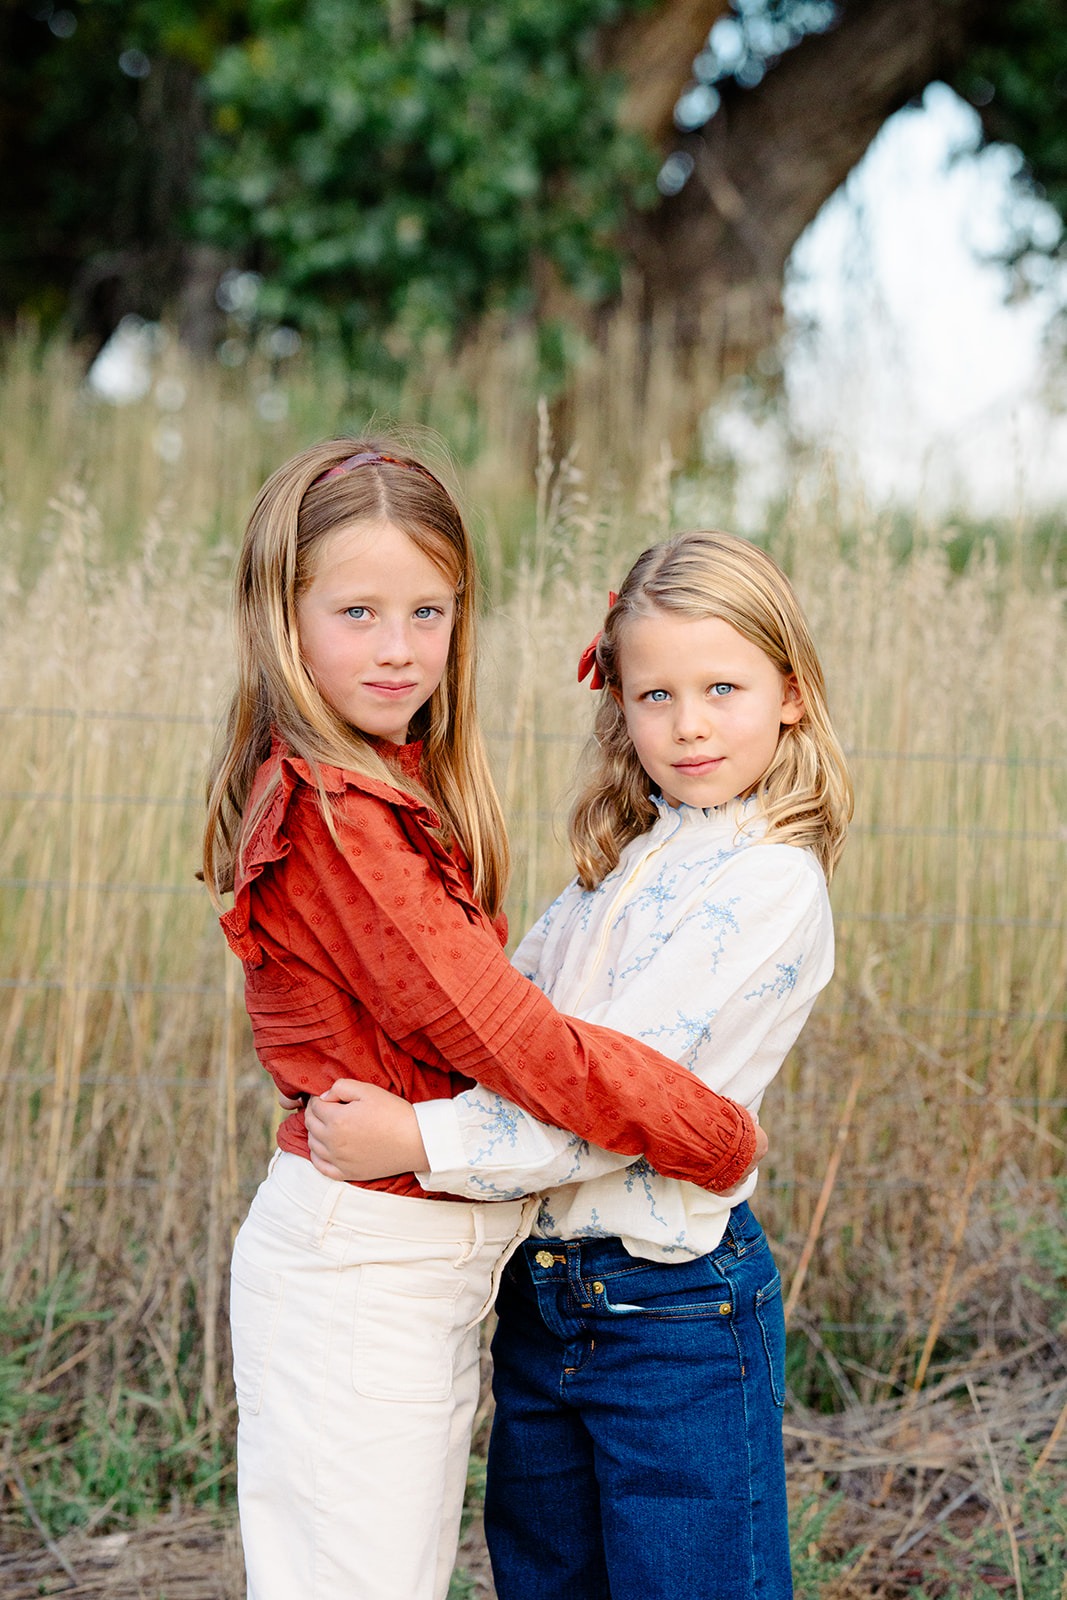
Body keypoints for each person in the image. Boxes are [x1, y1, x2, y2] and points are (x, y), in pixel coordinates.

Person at [201, 443, 768, 1600]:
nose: (399, 646)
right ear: (282, 615)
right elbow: (516, 1040)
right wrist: (708, 1135)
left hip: (410, 1265)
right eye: (356, 611)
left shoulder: (387, 784)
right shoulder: (336, 815)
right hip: (360, 1269)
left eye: (428, 610)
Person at [305, 529, 854, 1600]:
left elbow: (606, 1101)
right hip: (545, 1297)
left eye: (720, 687)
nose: (687, 723)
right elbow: (507, 1035)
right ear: (619, 709)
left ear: (789, 693)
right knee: (548, 1578)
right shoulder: (624, 863)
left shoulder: (769, 884)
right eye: (653, 696)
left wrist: (416, 1137)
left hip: (671, 1314)